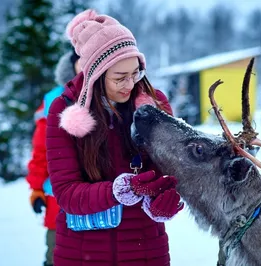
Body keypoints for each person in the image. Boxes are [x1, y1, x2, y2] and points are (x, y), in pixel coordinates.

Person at [46, 9, 184, 266]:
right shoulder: (64, 110)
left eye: (136, 73)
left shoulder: (155, 105)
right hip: (83, 252)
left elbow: (168, 173)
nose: (130, 84)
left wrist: (161, 202)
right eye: (120, 78)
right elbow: (65, 193)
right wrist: (119, 190)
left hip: (145, 250)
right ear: (95, 74)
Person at [26, 49, 80, 266]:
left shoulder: (109, 95)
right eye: (81, 61)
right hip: (59, 196)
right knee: (58, 254)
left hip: (99, 196)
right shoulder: (53, 99)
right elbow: (41, 149)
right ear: (72, 65)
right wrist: (37, 187)